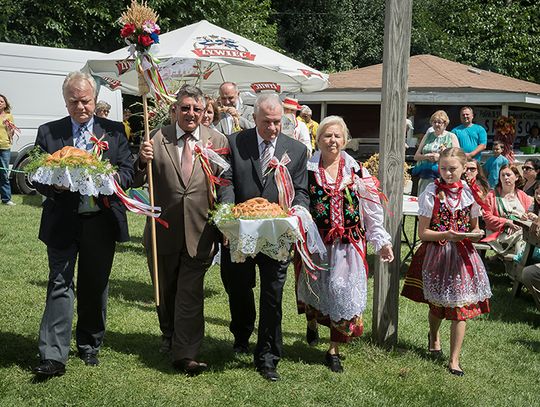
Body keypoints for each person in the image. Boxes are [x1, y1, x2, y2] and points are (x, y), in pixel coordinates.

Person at [32, 71, 133, 377]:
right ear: (66, 103)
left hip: (100, 220)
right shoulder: (49, 133)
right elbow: (37, 176)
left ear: (95, 100)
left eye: (86, 101)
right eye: (74, 101)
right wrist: (55, 185)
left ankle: (89, 344)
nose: (81, 107)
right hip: (62, 220)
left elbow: (128, 172)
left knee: (95, 285)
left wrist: (109, 179)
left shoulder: (114, 132)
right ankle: (53, 355)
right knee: (60, 283)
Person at [133, 85, 229, 375]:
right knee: (167, 290)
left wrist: (226, 218)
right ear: (175, 110)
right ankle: (169, 334)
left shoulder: (217, 140)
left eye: (196, 109)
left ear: (203, 112)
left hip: (200, 232)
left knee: (190, 293)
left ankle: (185, 354)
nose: (190, 114)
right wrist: (141, 160)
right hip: (161, 230)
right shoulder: (156, 137)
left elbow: (226, 182)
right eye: (185, 108)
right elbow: (136, 179)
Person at [219, 93, 309, 382]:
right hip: (242, 230)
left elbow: (301, 191)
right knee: (238, 285)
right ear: (254, 117)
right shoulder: (236, 142)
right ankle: (242, 331)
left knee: (273, 294)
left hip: (276, 234)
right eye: (267, 122)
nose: (272, 128)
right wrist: (229, 213)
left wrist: (298, 213)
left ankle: (268, 356)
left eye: (277, 122)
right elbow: (227, 181)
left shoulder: (295, 149)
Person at [295, 116, 393, 373]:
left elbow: (372, 210)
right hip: (316, 243)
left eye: (338, 136)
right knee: (315, 290)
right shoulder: (307, 169)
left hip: (348, 243)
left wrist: (380, 240)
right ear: (318, 140)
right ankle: (313, 323)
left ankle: (333, 350)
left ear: (346, 140)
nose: (333, 140)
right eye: (327, 135)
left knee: (342, 292)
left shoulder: (358, 171)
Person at [402, 147, 491, 376]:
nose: (448, 173)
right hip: (438, 254)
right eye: (444, 168)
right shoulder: (432, 191)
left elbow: (475, 227)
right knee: (438, 306)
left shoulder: (471, 192)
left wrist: (476, 233)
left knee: (461, 307)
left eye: (453, 168)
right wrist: (446, 235)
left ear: (464, 168)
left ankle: (454, 359)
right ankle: (434, 336)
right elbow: (423, 233)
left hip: (463, 256)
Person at [483, 164, 533, 256]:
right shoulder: (492, 195)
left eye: (508, 175)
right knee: (524, 237)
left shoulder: (522, 195)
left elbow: (531, 214)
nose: (505, 178)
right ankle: (520, 265)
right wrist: (507, 222)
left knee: (526, 237)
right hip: (499, 234)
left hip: (519, 230)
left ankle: (522, 264)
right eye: (502, 175)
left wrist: (526, 216)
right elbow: (487, 217)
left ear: (517, 177)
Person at [413, 110, 460, 195]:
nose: (436, 125)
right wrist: (426, 157)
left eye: (439, 122)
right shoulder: (428, 135)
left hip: (443, 177)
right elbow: (416, 156)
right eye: (434, 122)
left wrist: (440, 158)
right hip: (426, 176)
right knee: (425, 201)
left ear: (445, 124)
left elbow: (458, 158)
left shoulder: (451, 136)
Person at [0, 93, 16, 206]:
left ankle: (6, 199)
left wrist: (10, 128)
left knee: (4, 174)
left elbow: (12, 132)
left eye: (1, 101)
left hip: (4, 147)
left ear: (5, 104)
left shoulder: (9, 116)